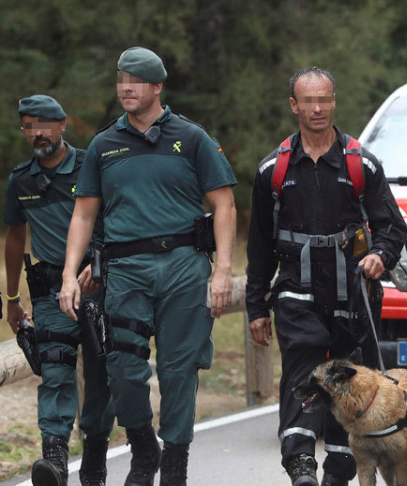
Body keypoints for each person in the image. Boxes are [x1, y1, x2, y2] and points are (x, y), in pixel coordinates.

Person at [58, 47, 237, 486]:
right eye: (121, 81)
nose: (126, 88)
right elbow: (83, 214)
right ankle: (142, 446)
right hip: (126, 269)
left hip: (183, 267)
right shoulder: (104, 145)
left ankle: (174, 466)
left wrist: (223, 270)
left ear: (157, 87)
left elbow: (224, 203)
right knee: (122, 369)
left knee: (179, 372)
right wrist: (68, 274)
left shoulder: (191, 138)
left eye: (135, 81)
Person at [245, 67, 407, 486]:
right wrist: (256, 307)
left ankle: (338, 472)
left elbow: (393, 226)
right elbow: (260, 244)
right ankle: (300, 465)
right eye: (308, 101)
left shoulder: (362, 165)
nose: (317, 108)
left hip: (353, 292)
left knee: (347, 378)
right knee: (304, 366)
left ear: (334, 102)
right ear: (294, 105)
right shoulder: (272, 171)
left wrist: (379, 256)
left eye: (325, 100)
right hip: (296, 290)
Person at [5, 95, 115, 486]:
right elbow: (15, 238)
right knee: (54, 367)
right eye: (28, 126)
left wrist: (99, 261)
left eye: (43, 124)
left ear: (62, 125)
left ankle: (96, 457)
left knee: (103, 375)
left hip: (100, 287)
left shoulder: (92, 165)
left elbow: (116, 214)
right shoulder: (21, 180)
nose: (36, 133)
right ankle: (54, 457)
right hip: (51, 294)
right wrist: (13, 298)